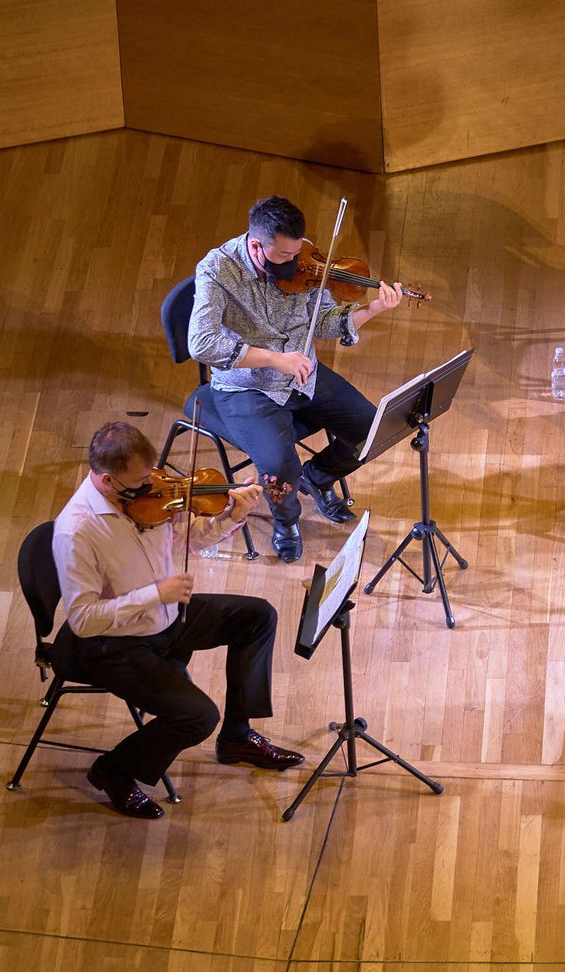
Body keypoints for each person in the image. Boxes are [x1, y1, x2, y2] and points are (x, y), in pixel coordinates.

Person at [50, 422, 306, 820]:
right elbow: (83, 620)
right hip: (113, 643)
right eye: (139, 480)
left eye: (151, 473)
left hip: (166, 617)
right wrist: (156, 593)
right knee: (198, 716)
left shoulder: (151, 495)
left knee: (256, 617)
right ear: (107, 480)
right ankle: (113, 770)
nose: (152, 485)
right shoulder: (78, 531)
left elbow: (187, 540)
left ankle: (238, 737)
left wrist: (232, 517)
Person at [188, 194, 404, 562]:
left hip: (303, 375)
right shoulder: (217, 270)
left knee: (375, 430)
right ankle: (286, 519)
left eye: (297, 252)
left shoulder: (304, 258)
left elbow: (322, 321)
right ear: (257, 245)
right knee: (277, 466)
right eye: (284, 256)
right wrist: (274, 359)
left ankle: (317, 476)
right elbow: (201, 343)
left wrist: (372, 309)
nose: (295, 263)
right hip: (246, 387)